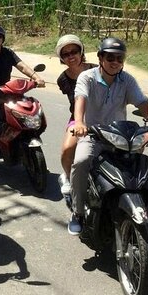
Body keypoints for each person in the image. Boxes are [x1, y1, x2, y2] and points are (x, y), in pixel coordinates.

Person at [69, 37, 148, 255]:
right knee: (81, 161)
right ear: (100, 58)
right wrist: (80, 122)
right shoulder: (87, 77)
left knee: (143, 174)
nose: (114, 62)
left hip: (121, 138)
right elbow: (80, 101)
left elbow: (142, 104)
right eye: (110, 57)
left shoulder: (127, 80)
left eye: (119, 58)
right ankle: (77, 212)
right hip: (93, 135)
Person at [0, 24, 46, 184]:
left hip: (6, 92)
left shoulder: (7, 53)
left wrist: (35, 77)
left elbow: (21, 65)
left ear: (3, 38)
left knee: (24, 112)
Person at [55, 34, 97, 195]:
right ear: (61, 58)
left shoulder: (97, 69)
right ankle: (67, 176)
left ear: (81, 51)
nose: (71, 56)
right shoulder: (62, 79)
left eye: (74, 51)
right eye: (66, 54)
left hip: (102, 116)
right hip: (77, 119)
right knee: (67, 150)